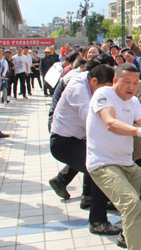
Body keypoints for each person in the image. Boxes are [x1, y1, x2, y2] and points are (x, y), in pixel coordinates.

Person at [86, 64, 141, 250]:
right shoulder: (103, 95)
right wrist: (138, 131)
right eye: (127, 82)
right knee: (131, 204)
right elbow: (110, 122)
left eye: (135, 82)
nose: (132, 87)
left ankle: (128, 236)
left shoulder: (133, 102)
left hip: (127, 163)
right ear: (115, 81)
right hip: (103, 164)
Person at [50, 65, 122, 235]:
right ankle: (97, 221)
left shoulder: (88, 82)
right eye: (103, 89)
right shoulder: (78, 90)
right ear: (94, 80)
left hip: (77, 140)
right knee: (100, 170)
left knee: (96, 165)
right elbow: (91, 118)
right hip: (64, 142)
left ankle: (90, 199)